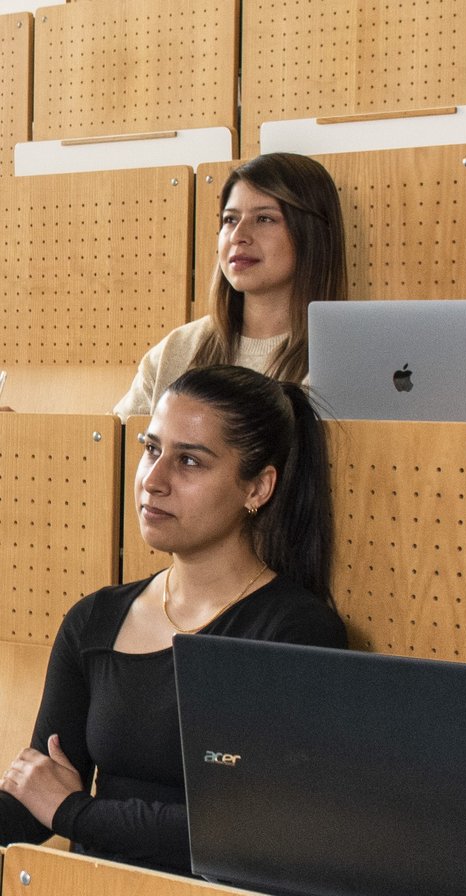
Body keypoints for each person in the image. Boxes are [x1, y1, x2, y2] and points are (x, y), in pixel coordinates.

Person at [0, 365, 347, 873]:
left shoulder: (295, 632)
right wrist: (60, 809)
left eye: (188, 461)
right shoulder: (94, 619)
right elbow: (35, 803)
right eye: (150, 448)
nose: (153, 480)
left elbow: (248, 831)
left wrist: (75, 812)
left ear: (258, 488)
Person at [114, 153, 348, 420]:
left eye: (264, 219)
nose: (238, 236)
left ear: (312, 234)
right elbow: (117, 451)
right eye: (230, 219)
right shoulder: (175, 350)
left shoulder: (343, 360)